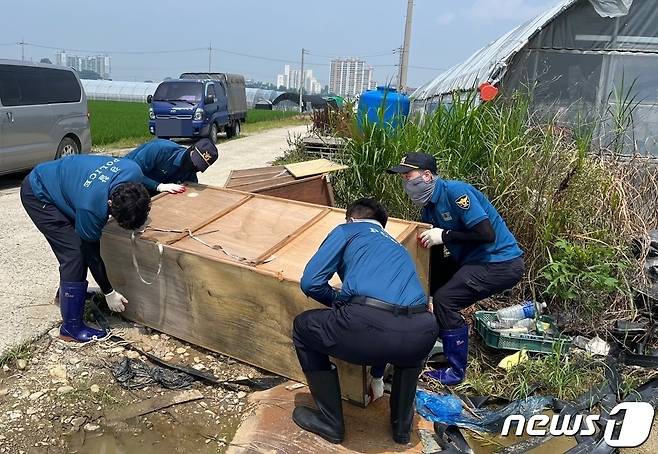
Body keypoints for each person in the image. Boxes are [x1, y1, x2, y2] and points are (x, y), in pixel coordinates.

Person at [292, 198, 438, 445]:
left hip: (368, 326)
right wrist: (377, 376)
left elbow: (310, 282)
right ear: (382, 226)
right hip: (422, 329)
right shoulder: (397, 247)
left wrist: (339, 301)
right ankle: (401, 430)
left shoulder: (347, 230)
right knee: (407, 353)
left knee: (303, 328)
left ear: (351, 218)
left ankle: (330, 423)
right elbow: (392, 317)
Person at [388, 152, 524, 386]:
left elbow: (485, 234)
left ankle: (456, 369)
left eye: (408, 176)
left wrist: (445, 235)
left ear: (427, 176)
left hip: (499, 262)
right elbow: (436, 250)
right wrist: (428, 283)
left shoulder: (456, 193)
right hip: (473, 260)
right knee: (432, 289)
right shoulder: (429, 207)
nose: (406, 183)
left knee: (445, 300)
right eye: (403, 178)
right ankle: (439, 338)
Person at [21, 155, 151, 343]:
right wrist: (109, 292)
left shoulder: (133, 171)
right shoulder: (91, 207)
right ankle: (70, 328)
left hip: (64, 181)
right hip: (39, 192)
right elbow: (91, 253)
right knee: (75, 254)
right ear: (110, 205)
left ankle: (66, 296)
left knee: (78, 245)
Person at [125, 138, 218, 194]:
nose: (194, 165)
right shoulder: (160, 150)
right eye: (194, 160)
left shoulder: (190, 174)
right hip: (127, 184)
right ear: (191, 149)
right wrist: (159, 186)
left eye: (198, 166)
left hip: (153, 194)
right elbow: (128, 173)